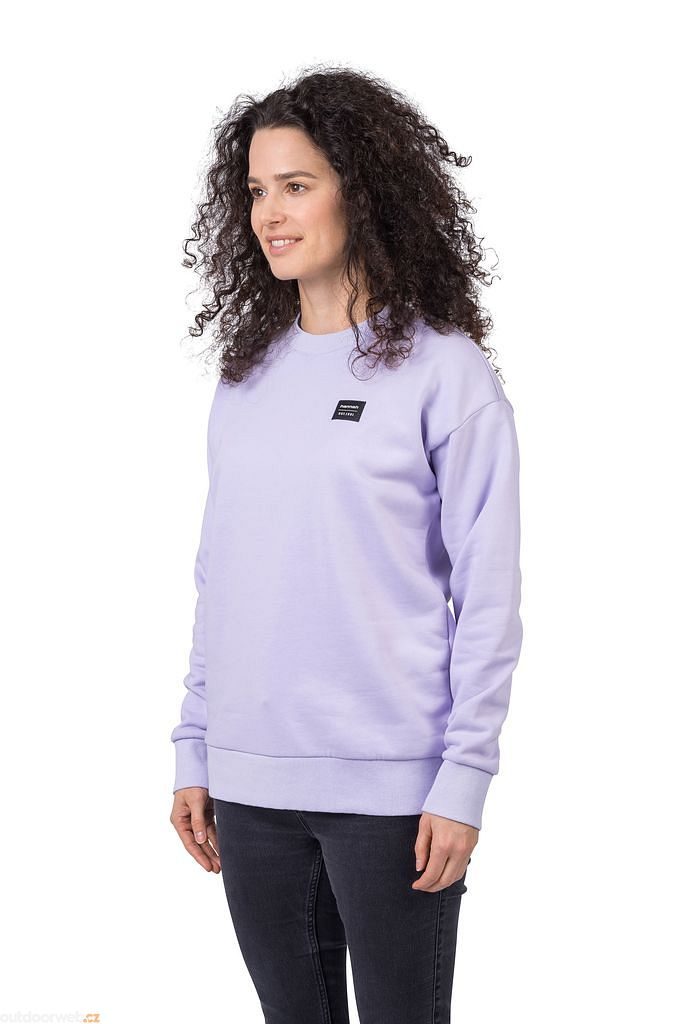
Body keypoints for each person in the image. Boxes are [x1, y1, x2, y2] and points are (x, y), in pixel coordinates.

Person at [169, 65, 523, 1024]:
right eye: (257, 190)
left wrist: (465, 777)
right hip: (249, 788)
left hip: (393, 793)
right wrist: (195, 745)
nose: (270, 214)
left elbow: (488, 596)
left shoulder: (446, 373)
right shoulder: (246, 379)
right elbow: (221, 577)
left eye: (297, 185)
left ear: (359, 193)